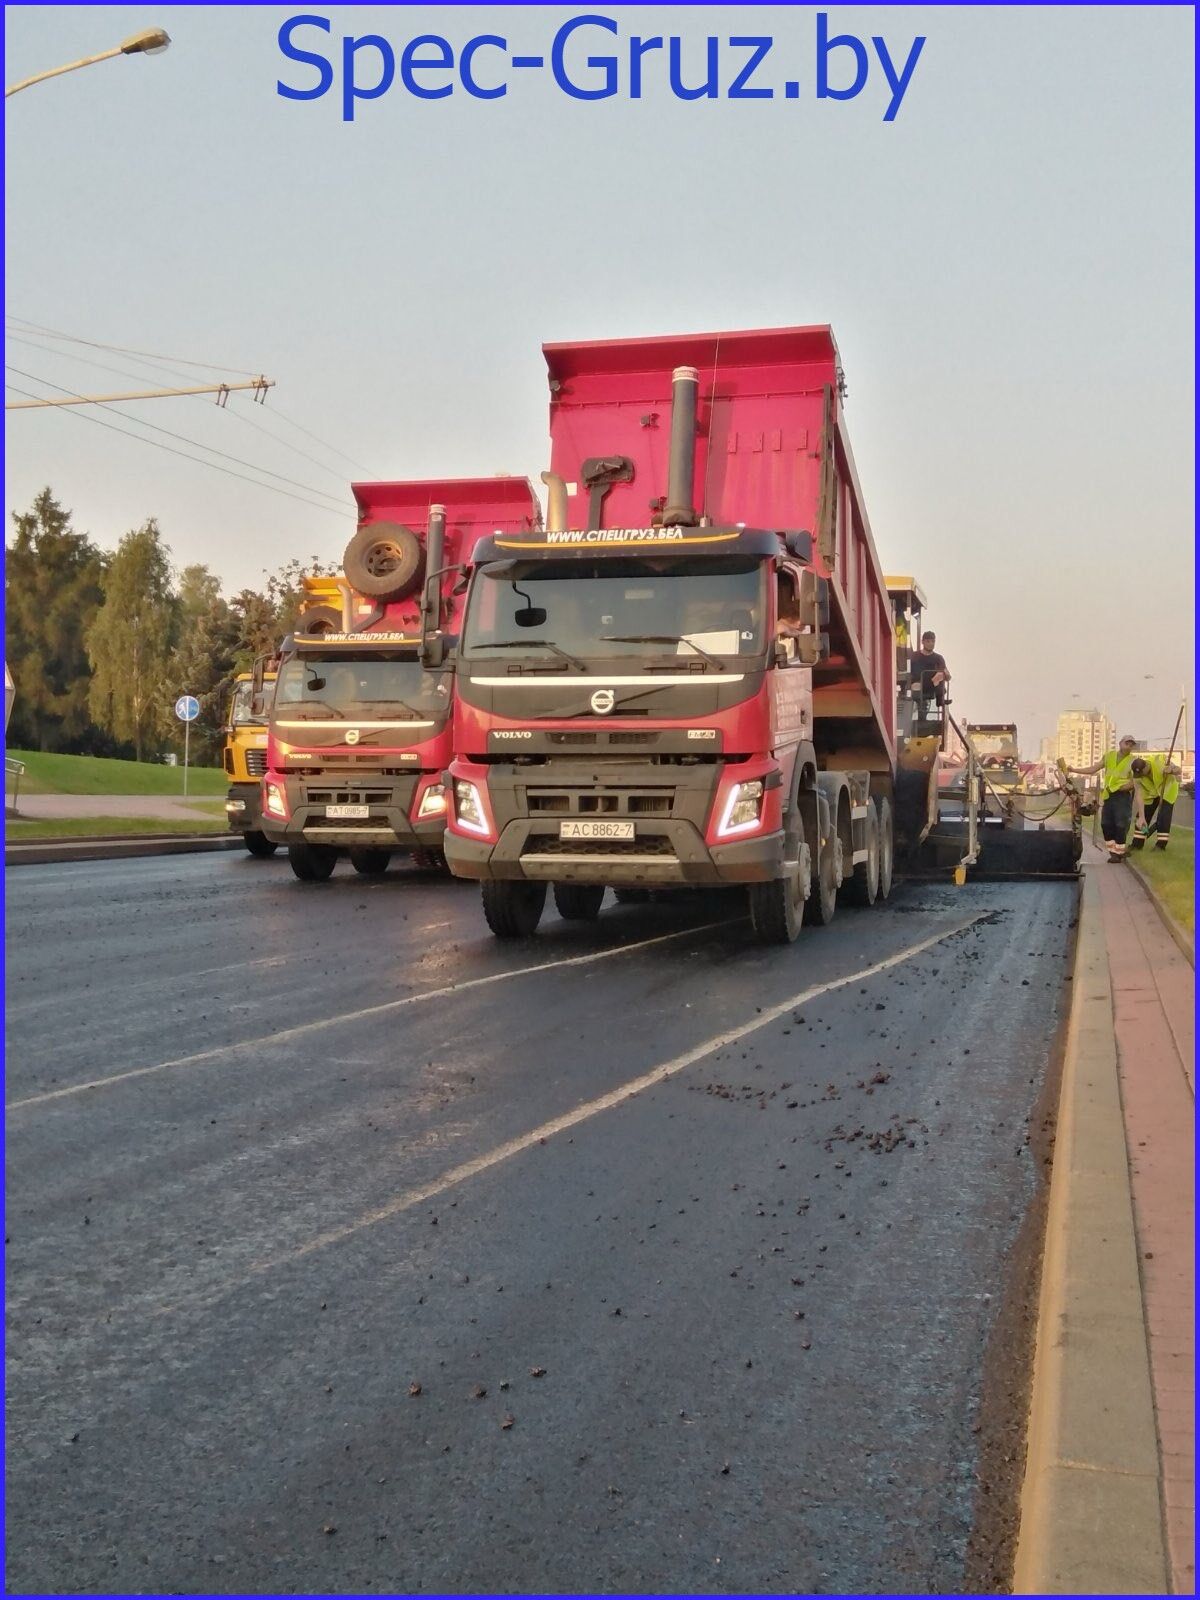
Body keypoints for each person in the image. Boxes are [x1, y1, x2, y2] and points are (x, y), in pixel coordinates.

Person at [1067, 735, 1138, 862]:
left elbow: (1134, 783)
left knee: (1121, 825)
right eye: (1127, 743)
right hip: (1109, 796)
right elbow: (1093, 768)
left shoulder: (1133, 761)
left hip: (1122, 796)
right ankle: (1113, 851)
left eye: (1131, 744)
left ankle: (1118, 853)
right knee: (1106, 824)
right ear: (1120, 743)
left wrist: (1120, 788)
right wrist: (1074, 770)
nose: (1129, 746)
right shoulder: (1109, 756)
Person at [1129, 753, 1181, 852]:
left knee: (1163, 818)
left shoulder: (1160, 760)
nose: (1141, 776)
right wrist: (1142, 816)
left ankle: (1160, 846)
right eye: (1138, 774)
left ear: (1147, 766)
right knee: (1140, 818)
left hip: (1167, 792)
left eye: (1142, 773)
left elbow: (1179, 770)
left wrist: (1171, 770)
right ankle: (1137, 845)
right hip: (1150, 795)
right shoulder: (1136, 776)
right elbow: (1138, 794)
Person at [910, 630, 950, 723]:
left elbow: (946, 674)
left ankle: (940, 700)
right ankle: (940, 700)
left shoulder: (938, 658)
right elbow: (907, 671)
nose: (931, 644)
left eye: (933, 641)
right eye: (928, 641)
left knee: (940, 675)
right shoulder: (914, 656)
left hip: (932, 686)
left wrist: (945, 675)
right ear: (922, 642)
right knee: (917, 686)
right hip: (918, 684)